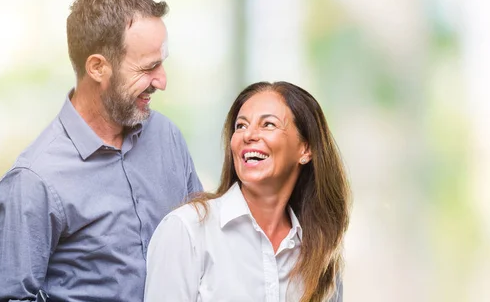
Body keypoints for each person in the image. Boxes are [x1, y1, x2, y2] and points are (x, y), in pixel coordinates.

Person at [0, 0, 203, 301]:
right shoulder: (33, 180)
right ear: (97, 67)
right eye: (148, 67)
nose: (162, 81)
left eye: (162, 62)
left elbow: (202, 243)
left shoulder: (166, 136)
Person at [144, 81, 351, 302]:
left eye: (269, 124)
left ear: (305, 149)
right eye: (240, 126)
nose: (248, 135)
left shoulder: (319, 252)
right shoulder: (187, 230)